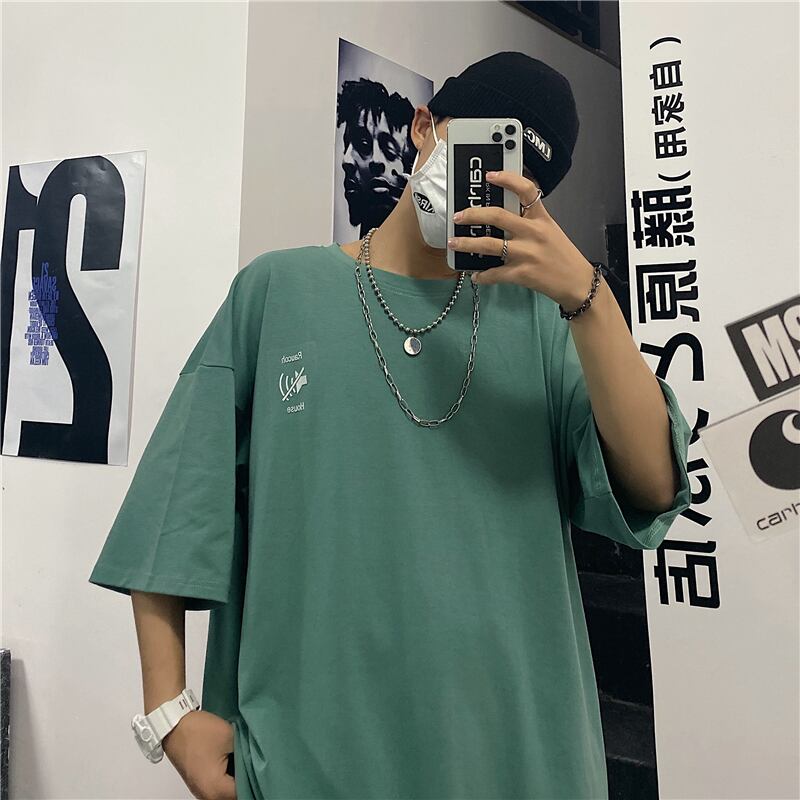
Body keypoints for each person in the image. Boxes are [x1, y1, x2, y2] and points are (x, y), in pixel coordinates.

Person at [88, 51, 693, 800]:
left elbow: (652, 487)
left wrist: (587, 298)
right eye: (486, 150)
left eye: (526, 179)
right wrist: (169, 713)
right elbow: (175, 508)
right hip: (314, 753)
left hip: (514, 753)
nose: (495, 182)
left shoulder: (547, 322)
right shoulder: (281, 291)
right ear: (424, 126)